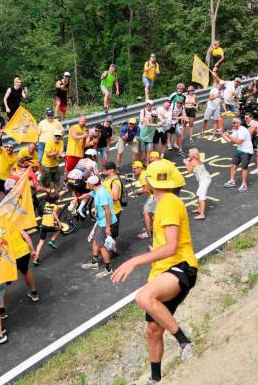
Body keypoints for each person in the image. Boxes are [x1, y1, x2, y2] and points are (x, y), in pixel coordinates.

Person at [110, 159, 199, 384]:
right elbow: (165, 245)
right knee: (152, 329)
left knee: (144, 297)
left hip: (180, 266)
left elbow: (171, 247)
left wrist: (135, 261)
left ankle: (184, 342)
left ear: (151, 181)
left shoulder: (168, 202)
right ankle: (155, 378)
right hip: (163, 270)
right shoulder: (163, 202)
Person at [79, 176, 117, 278]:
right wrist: (76, 199)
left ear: (92, 184)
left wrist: (107, 227)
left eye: (88, 183)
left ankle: (108, 269)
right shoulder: (99, 190)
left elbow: (107, 210)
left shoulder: (101, 194)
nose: (87, 184)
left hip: (104, 223)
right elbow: (89, 194)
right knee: (95, 240)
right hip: (101, 222)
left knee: (102, 246)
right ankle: (94, 262)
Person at [222, 117, 254, 192]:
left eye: (234, 123)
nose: (233, 124)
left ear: (239, 123)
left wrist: (229, 135)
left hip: (246, 151)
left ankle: (244, 185)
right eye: (232, 123)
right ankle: (232, 181)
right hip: (239, 150)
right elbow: (230, 140)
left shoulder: (242, 130)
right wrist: (222, 134)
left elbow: (239, 141)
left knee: (244, 168)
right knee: (233, 165)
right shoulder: (236, 130)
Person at [32, 193, 61, 266]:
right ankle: (52, 240)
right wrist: (59, 222)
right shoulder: (55, 206)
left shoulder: (46, 204)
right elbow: (54, 212)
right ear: (56, 200)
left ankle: (36, 259)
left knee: (41, 242)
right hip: (50, 226)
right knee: (60, 228)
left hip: (43, 226)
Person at [183, 148, 211, 219]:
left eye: (189, 153)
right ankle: (199, 209)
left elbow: (189, 171)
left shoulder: (193, 162)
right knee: (198, 194)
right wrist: (189, 162)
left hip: (204, 180)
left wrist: (186, 163)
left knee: (201, 197)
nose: (188, 154)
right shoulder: (196, 159)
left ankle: (202, 214)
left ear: (192, 155)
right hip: (204, 179)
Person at [0, 136, 19, 208]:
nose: (8, 148)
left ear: (13, 148)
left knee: (8, 195)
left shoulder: (15, 157)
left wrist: (14, 179)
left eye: (10, 147)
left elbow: (14, 170)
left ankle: (11, 210)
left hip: (6, 179)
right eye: (7, 147)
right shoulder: (2, 150)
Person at [102, 162, 123, 251]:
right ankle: (112, 249)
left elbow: (115, 197)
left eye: (106, 169)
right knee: (109, 232)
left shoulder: (115, 181)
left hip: (114, 211)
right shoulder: (107, 179)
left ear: (112, 170)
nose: (104, 170)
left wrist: (105, 193)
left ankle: (115, 249)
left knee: (114, 234)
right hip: (107, 210)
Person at [41, 130, 65, 194]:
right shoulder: (49, 142)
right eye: (56, 136)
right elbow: (47, 154)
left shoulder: (61, 142)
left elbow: (60, 152)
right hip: (47, 165)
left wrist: (62, 155)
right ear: (54, 136)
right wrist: (56, 153)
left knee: (57, 180)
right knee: (47, 182)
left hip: (55, 164)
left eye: (59, 136)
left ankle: (56, 194)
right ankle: (48, 195)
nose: (57, 137)